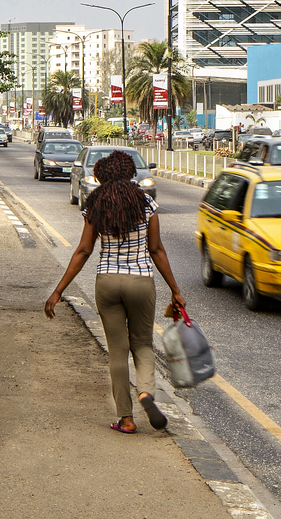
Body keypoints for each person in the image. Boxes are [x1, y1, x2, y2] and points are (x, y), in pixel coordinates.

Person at [44, 151, 184, 434]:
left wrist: (58, 291)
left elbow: (84, 250)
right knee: (142, 344)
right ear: (131, 172)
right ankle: (146, 393)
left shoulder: (96, 205)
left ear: (102, 175)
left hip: (107, 281)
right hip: (141, 280)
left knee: (117, 351)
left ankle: (126, 418)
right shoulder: (146, 203)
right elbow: (156, 249)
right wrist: (175, 290)